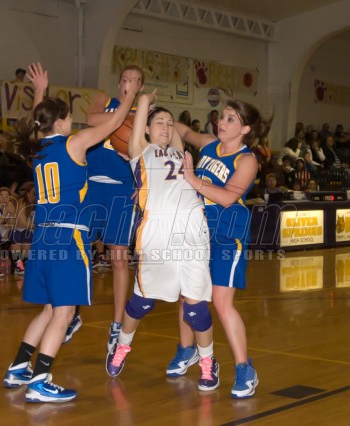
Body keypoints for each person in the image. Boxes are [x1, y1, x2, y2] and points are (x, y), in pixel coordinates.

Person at [2, 62, 140, 403]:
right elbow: (113, 123)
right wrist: (132, 96)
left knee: (50, 308)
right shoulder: (74, 144)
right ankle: (40, 380)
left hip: (42, 238)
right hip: (68, 238)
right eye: (69, 118)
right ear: (62, 122)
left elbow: (39, 120)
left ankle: (18, 366)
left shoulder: (38, 147)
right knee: (64, 312)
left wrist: (39, 91)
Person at [105, 91, 219, 393]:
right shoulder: (140, 151)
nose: (166, 127)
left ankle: (208, 362)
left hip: (192, 229)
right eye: (159, 123)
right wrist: (144, 99)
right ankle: (122, 346)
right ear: (146, 128)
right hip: (157, 232)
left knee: (195, 309)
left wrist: (168, 121)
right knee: (141, 303)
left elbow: (178, 136)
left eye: (170, 123)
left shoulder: (181, 153)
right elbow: (140, 121)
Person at [174, 99, 272, 399]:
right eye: (222, 117)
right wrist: (154, 117)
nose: (222, 122)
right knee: (187, 295)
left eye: (230, 119)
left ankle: (245, 369)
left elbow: (228, 197)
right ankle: (188, 350)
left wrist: (192, 180)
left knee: (221, 301)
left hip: (228, 235)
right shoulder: (208, 144)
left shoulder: (247, 161)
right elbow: (182, 131)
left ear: (245, 129)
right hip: (199, 232)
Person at [85, 64, 144, 351]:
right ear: (119, 83)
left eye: (135, 80)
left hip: (122, 189)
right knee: (77, 251)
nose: (129, 83)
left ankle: (117, 324)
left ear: (140, 87)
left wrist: (143, 183)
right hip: (91, 184)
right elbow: (91, 118)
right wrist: (127, 114)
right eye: (125, 78)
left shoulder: (145, 115)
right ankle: (70, 312)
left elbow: (150, 152)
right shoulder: (103, 99)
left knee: (119, 258)